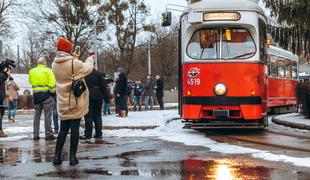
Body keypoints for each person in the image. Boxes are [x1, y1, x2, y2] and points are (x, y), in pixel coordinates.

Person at [52, 37, 93, 166]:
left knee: (63, 130)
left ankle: (57, 157)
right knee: (75, 128)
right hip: (74, 101)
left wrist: (73, 56)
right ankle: (72, 157)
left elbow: (68, 65)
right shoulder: (74, 63)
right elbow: (87, 68)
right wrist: (90, 58)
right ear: (68, 50)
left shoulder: (54, 64)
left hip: (62, 101)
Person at [29, 57, 56, 141]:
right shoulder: (49, 71)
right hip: (46, 96)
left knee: (36, 116)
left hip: (36, 96)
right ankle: (48, 134)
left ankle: (35, 134)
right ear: (45, 63)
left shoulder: (31, 71)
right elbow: (52, 84)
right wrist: (52, 93)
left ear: (38, 63)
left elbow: (30, 81)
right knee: (47, 116)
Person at [81, 63, 109, 140]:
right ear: (94, 65)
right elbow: (104, 87)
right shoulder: (99, 74)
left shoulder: (84, 74)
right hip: (98, 96)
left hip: (88, 96)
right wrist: (107, 99)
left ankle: (88, 134)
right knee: (98, 116)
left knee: (88, 116)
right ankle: (99, 133)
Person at [0, 68, 10, 137]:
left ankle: (1, 131)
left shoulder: (4, 79)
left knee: (1, 114)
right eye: (9, 72)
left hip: (2, 100)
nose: (9, 73)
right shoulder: (1, 77)